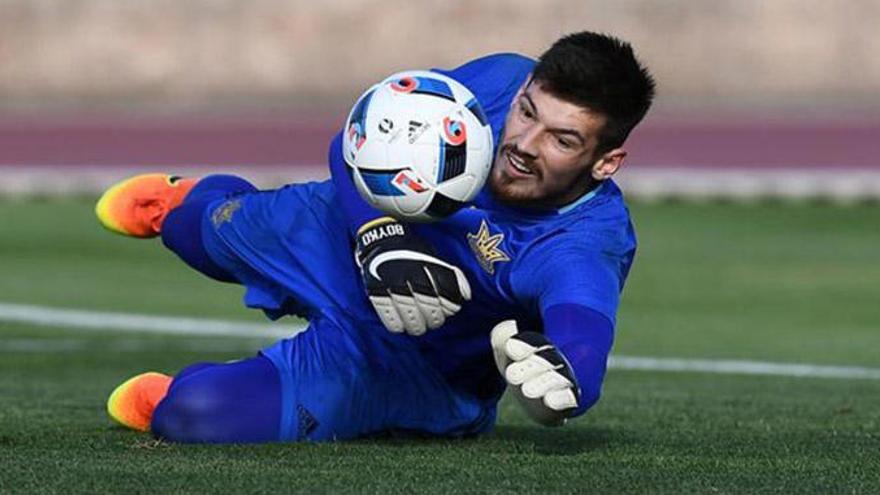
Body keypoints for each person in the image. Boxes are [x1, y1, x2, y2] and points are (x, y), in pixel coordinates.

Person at [98, 31, 655, 443]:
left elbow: (583, 335)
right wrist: (379, 236)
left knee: (191, 416)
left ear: (606, 163)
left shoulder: (584, 243)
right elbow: (358, 137)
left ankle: (184, 391)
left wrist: (564, 385)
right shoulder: (497, 81)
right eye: (527, 112)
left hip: (402, 358)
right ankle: (186, 201)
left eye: (561, 140)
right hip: (340, 235)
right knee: (197, 232)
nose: (523, 144)